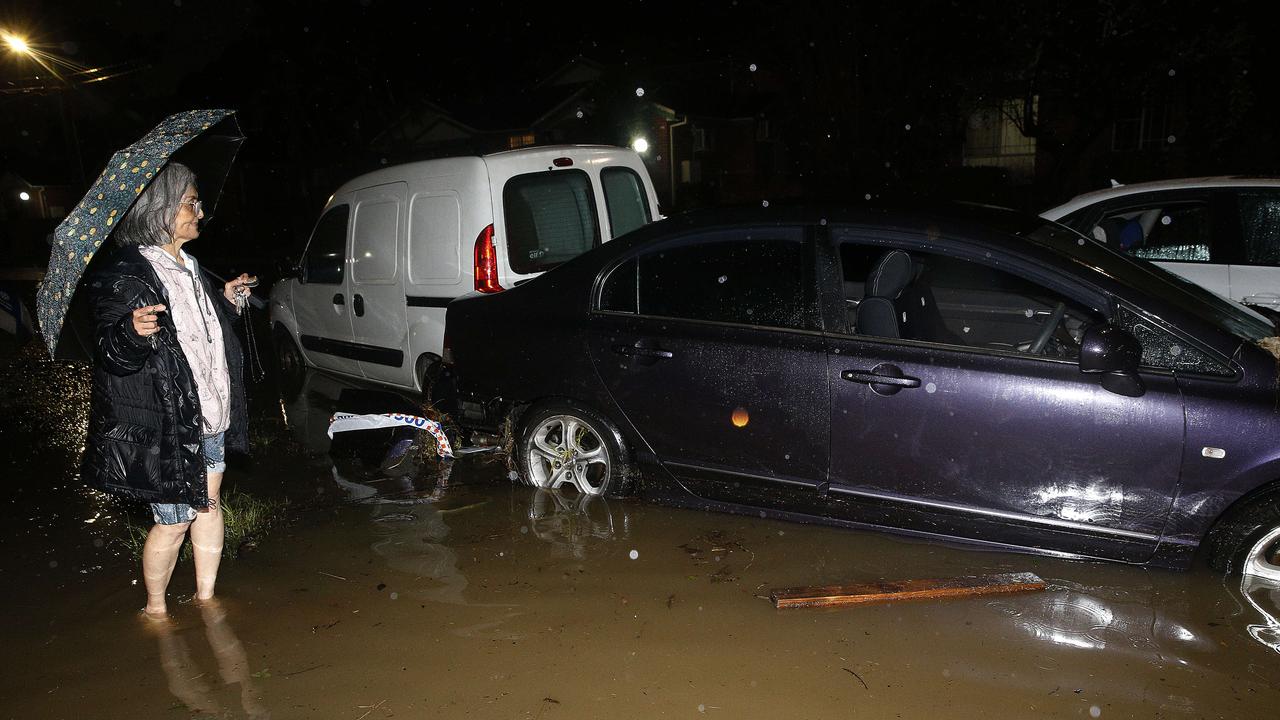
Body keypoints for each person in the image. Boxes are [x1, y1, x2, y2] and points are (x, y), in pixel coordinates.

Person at [81, 162, 254, 619]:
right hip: (169, 424)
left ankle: (206, 599)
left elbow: (201, 335)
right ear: (159, 209)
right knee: (173, 522)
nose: (199, 211)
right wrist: (130, 332)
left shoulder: (193, 266)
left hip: (211, 413)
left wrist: (227, 303)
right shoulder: (126, 273)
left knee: (210, 507)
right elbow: (111, 355)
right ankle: (155, 611)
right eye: (190, 203)